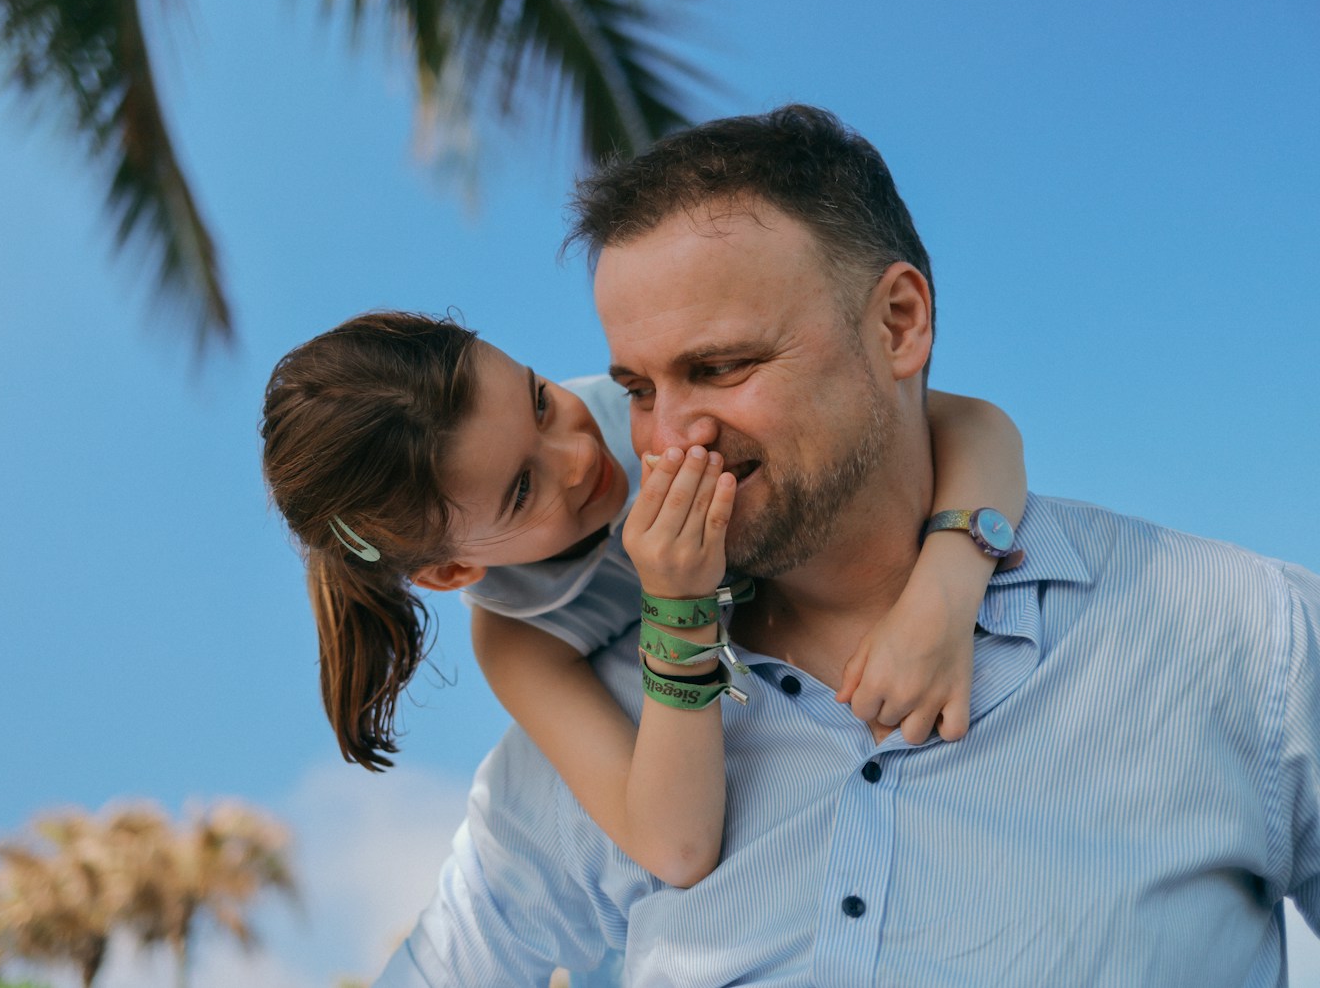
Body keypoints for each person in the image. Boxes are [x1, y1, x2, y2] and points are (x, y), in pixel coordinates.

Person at [375, 104, 1320, 987]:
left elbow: (976, 424)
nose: (667, 440)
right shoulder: (602, 740)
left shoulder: (1251, 640)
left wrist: (950, 577)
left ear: (899, 323)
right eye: (640, 388)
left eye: (721, 367)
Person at [261, 311, 1026, 890]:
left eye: (539, 400)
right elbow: (675, 846)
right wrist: (677, 603)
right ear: (453, 571)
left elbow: (970, 423)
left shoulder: (656, 415)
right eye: (522, 488)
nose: (578, 455)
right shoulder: (520, 638)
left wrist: (939, 602)